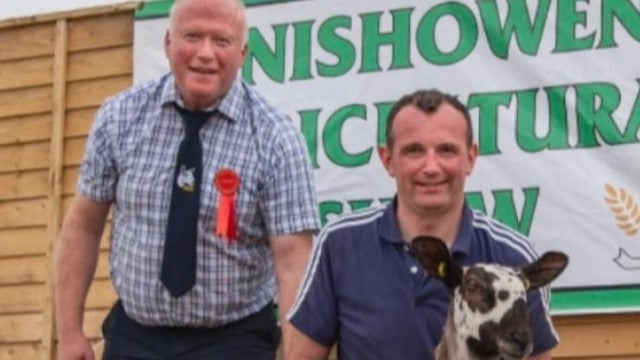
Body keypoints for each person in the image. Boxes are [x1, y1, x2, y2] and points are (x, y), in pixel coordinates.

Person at [54, 0, 319, 358]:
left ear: (242, 53)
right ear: (167, 43)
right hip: (135, 338)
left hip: (235, 341)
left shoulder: (277, 139)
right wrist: (69, 332)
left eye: (221, 41)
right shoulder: (118, 118)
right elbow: (82, 227)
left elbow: (294, 263)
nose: (205, 54)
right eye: (192, 36)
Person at [287, 89, 558, 360]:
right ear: (388, 159)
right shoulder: (340, 245)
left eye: (447, 150)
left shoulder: (513, 258)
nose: (431, 167)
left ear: (471, 158)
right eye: (414, 151)